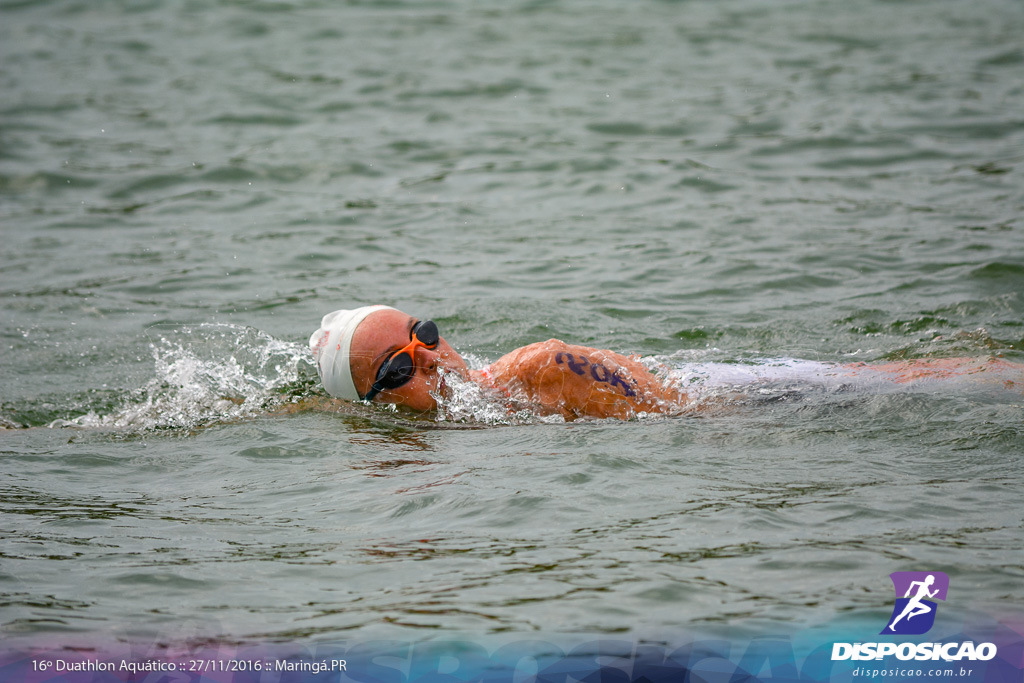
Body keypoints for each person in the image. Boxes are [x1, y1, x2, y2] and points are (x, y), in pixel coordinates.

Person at [309, 305, 1023, 421]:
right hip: (728, 404)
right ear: (370, 401)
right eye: (400, 371)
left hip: (740, 401)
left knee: (908, 381)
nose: (428, 359)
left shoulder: (538, 367)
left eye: (422, 335)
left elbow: (680, 417)